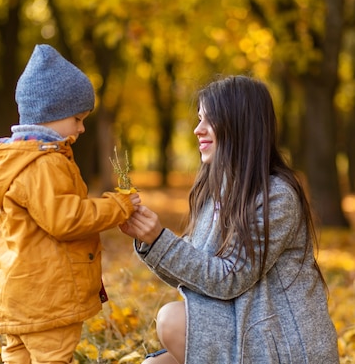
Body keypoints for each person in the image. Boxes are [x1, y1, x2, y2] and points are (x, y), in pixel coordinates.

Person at [120, 75, 339, 364]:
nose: (198, 130)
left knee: (171, 319)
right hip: (241, 327)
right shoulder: (218, 190)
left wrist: (160, 240)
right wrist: (150, 240)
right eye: (199, 119)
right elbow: (198, 271)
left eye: (209, 120)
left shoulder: (277, 195)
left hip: (281, 347)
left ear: (239, 125)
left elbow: (230, 278)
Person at [0, 44, 141, 364]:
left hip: (15, 295)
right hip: (47, 300)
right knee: (53, 357)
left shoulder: (10, 161)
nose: (81, 128)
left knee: (18, 356)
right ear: (52, 112)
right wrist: (119, 206)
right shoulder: (43, 164)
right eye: (77, 118)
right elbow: (67, 219)